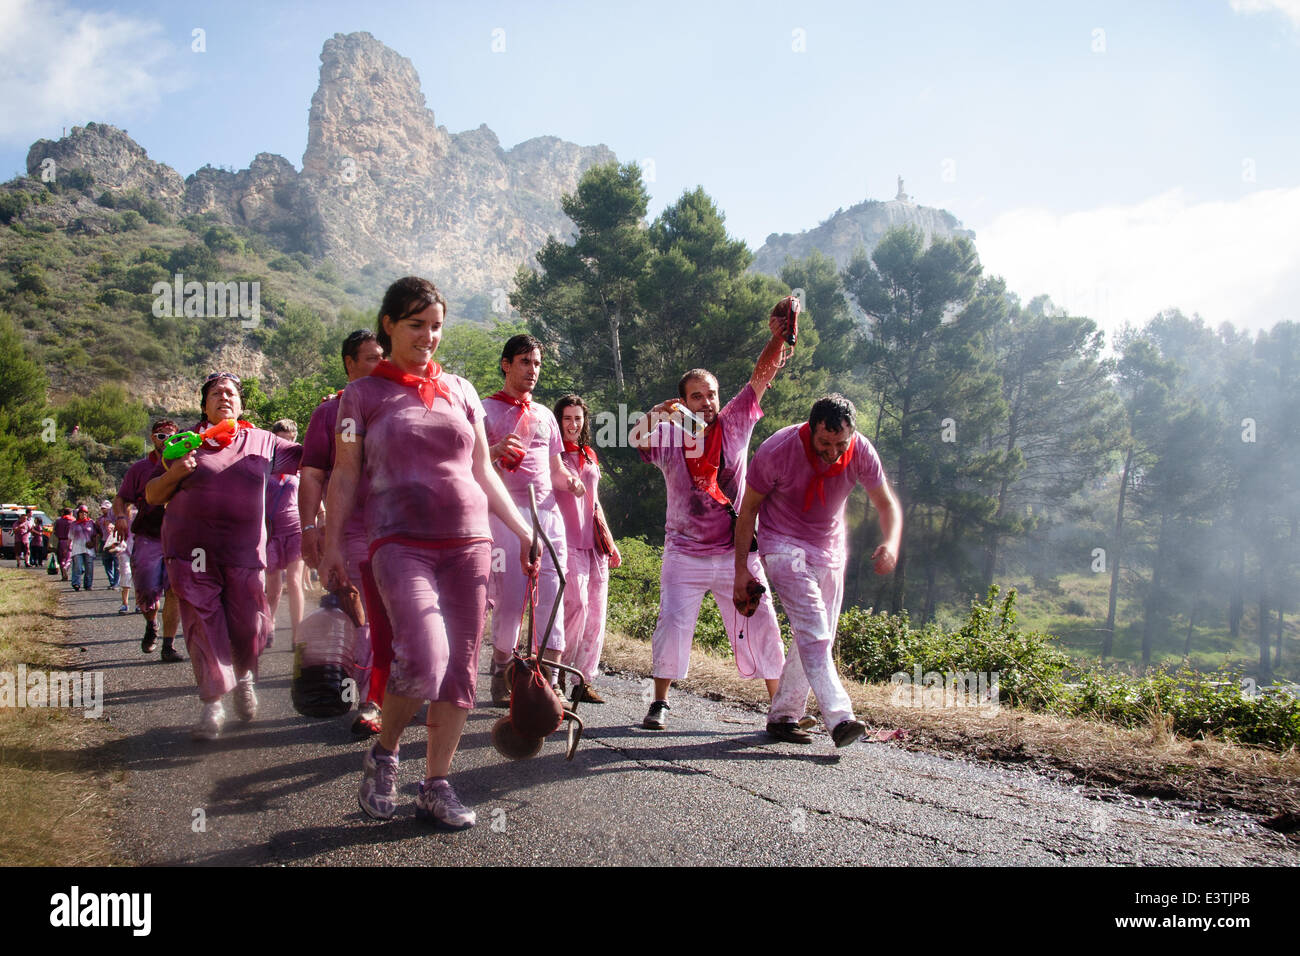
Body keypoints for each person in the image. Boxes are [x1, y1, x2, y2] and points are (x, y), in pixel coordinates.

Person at [319, 277, 538, 829]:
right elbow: (344, 475)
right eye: (416, 324)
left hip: (469, 543)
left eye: (436, 325)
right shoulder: (362, 395)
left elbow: (482, 469)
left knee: (460, 670)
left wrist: (525, 531)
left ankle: (436, 784)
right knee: (425, 653)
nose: (428, 336)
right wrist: (328, 544)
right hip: (398, 542)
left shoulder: (461, 390)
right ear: (389, 325)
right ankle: (386, 754)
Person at [631, 299, 795, 730]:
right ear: (682, 401)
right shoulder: (668, 435)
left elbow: (762, 376)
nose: (706, 402)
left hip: (735, 554)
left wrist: (777, 336)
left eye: (711, 395)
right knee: (672, 623)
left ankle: (779, 709)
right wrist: (658, 413)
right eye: (695, 396)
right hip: (683, 553)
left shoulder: (735, 421)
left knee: (762, 622)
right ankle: (660, 703)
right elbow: (634, 437)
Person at [733, 394, 903, 748]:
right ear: (810, 431)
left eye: (841, 442)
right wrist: (741, 572)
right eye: (825, 442)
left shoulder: (860, 451)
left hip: (829, 549)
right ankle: (840, 718)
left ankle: (783, 717)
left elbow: (887, 504)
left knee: (814, 635)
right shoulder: (777, 449)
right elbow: (747, 510)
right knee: (814, 629)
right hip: (781, 545)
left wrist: (891, 542)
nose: (833, 450)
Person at [145, 373, 302, 740]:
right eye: (215, 393)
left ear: (241, 403)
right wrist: (176, 473)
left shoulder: (265, 442)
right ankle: (212, 705)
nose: (224, 398)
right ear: (204, 405)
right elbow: (152, 495)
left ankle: (245, 676)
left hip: (245, 552)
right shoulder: (184, 443)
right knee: (203, 623)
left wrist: (338, 410)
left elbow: (314, 460)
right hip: (191, 553)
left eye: (231, 393)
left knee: (250, 625)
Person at [482, 334, 583, 705]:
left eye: (537, 363)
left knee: (553, 593)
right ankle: (501, 670)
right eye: (525, 362)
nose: (533, 370)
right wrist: (494, 450)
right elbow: (471, 465)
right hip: (507, 515)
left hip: (548, 514)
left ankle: (548, 680)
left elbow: (555, 468)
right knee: (510, 598)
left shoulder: (544, 416)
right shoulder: (483, 410)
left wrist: (570, 482)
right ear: (506, 364)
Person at [299, 328, 385, 735]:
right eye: (371, 358)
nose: (380, 365)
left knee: (401, 614)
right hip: (349, 528)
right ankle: (370, 699)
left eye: (383, 357)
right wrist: (310, 528)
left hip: (399, 526)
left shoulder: (395, 405)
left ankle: (391, 690)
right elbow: (313, 475)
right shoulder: (328, 413)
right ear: (350, 363)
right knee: (364, 613)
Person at [553, 394, 621, 703]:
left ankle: (584, 679)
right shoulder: (553, 455)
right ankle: (557, 669)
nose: (573, 424)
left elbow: (595, 502)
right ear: (559, 421)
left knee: (596, 613)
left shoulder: (589, 454)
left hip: (594, 543)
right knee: (576, 605)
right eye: (567, 418)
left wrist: (610, 540)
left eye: (578, 418)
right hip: (566, 540)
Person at [115, 421, 185, 661]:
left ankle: (169, 644)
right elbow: (121, 498)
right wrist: (122, 516)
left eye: (172, 436)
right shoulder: (140, 469)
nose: (166, 440)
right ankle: (151, 623)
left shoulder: (187, 464)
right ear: (153, 438)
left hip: (178, 536)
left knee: (174, 590)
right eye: (161, 435)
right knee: (146, 591)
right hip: (148, 536)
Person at [265, 419, 304, 648]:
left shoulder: (301, 466)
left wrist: (319, 518)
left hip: (295, 529)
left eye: (290, 439)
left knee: (294, 581)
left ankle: (297, 635)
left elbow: (312, 495)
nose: (287, 443)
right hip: (272, 531)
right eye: (282, 439)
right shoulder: (265, 465)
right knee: (273, 587)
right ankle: (269, 625)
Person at [68, 504, 100, 591]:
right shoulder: (74, 524)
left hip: (89, 549)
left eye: (85, 513)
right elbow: (70, 537)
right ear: (78, 514)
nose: (83, 515)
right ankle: (76, 583)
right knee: (77, 567)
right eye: (81, 513)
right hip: (77, 548)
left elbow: (95, 535)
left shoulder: (91, 523)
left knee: (89, 568)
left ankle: (88, 585)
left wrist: (95, 545)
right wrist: (68, 547)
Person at [96, 500, 121, 589]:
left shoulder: (117, 518)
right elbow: (98, 532)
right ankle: (112, 580)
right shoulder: (99, 520)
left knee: (117, 563)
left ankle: (116, 583)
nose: (103, 510)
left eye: (105, 508)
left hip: (115, 541)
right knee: (106, 562)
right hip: (104, 541)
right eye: (102, 508)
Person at [52, 508, 73, 581]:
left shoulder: (58, 521)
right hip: (69, 541)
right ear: (70, 513)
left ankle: (63, 576)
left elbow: (54, 531)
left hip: (60, 541)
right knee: (69, 558)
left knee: (61, 559)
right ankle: (66, 567)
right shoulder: (72, 521)